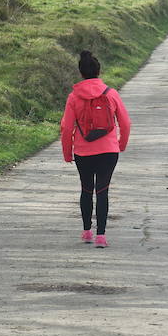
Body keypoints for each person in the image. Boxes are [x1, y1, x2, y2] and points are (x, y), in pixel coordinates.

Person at [60, 50, 130, 248]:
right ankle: (101, 236)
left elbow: (66, 127)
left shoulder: (74, 97)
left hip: (83, 152)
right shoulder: (111, 94)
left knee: (86, 189)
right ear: (99, 71)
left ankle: (86, 232)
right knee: (102, 190)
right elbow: (125, 123)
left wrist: (67, 152)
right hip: (108, 151)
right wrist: (120, 144)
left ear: (81, 73)